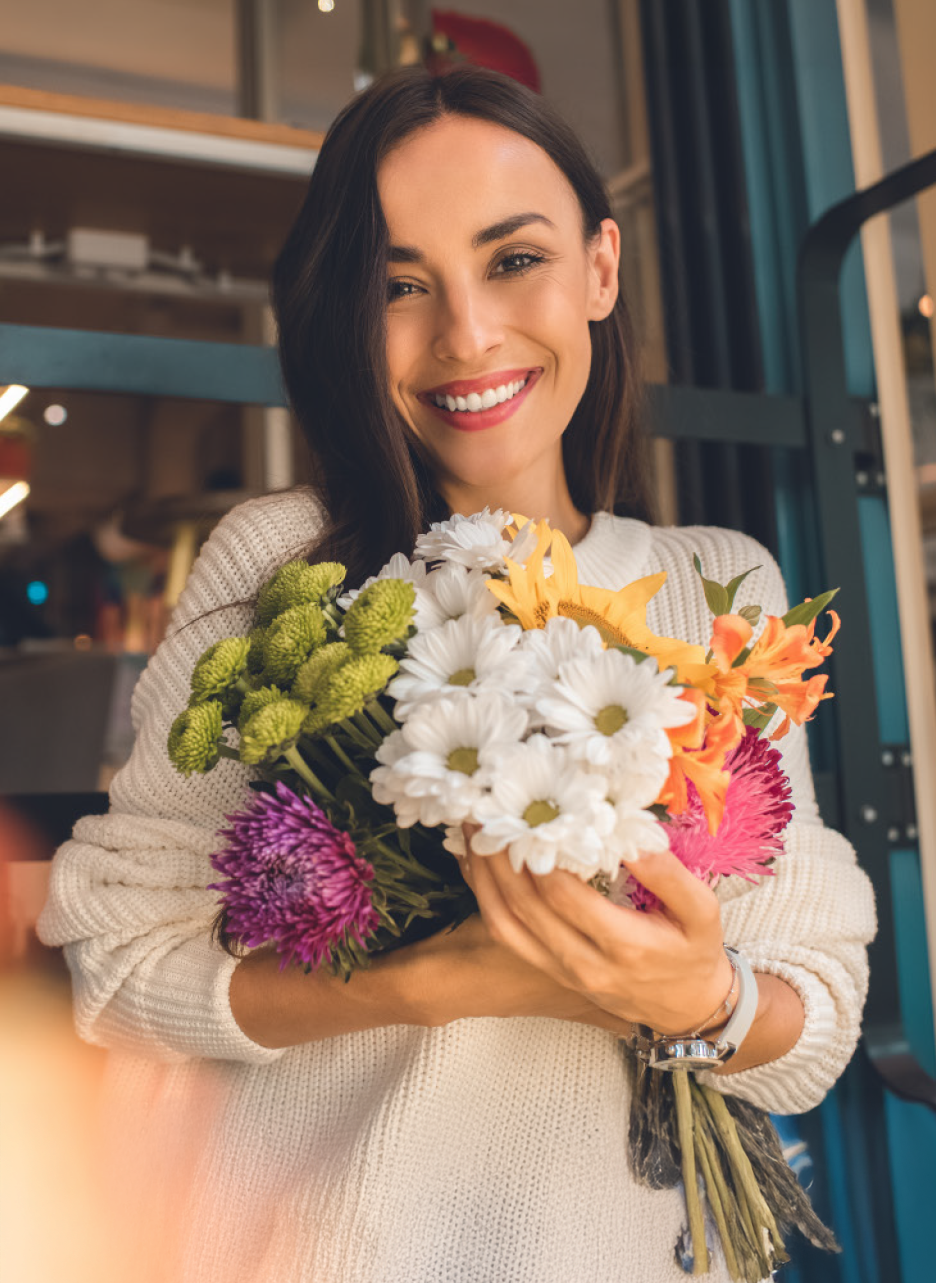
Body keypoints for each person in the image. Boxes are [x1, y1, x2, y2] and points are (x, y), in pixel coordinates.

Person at [38, 65, 875, 1283]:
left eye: (514, 260)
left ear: (600, 268)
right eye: (400, 285)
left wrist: (702, 997)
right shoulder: (287, 565)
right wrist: (413, 989)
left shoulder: (714, 588)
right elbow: (116, 964)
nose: (468, 335)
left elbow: (818, 1017)